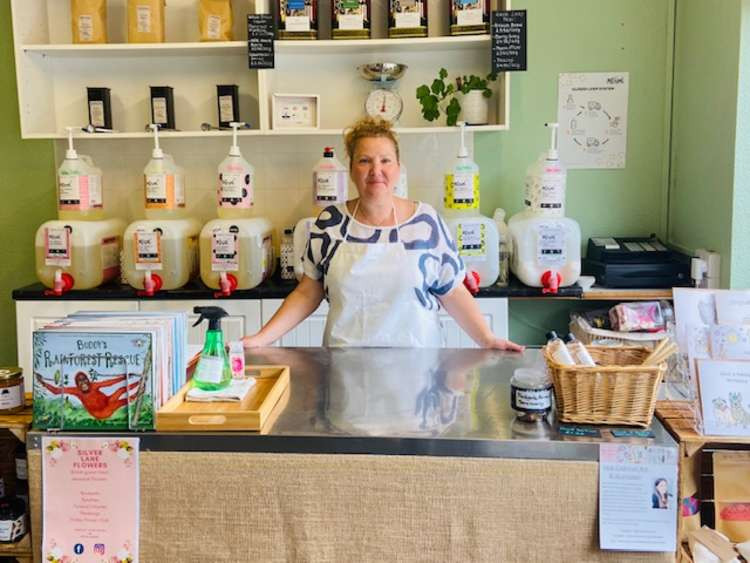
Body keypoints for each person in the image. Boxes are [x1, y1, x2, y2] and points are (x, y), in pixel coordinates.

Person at [243, 117, 524, 350]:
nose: (376, 170)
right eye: (365, 161)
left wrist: (487, 339)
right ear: (352, 170)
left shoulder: (426, 223)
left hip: (417, 370)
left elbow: (452, 292)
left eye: (385, 161)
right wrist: (260, 339)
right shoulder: (330, 223)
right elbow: (307, 293)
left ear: (398, 168)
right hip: (345, 369)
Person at [35, 371, 140, 420]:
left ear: (88, 380)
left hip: (106, 401)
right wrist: (43, 382)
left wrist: (124, 377)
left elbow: (109, 383)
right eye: (80, 381)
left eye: (84, 379)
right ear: (77, 384)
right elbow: (56, 391)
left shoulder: (93, 385)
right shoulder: (76, 391)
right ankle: (135, 396)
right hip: (100, 412)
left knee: (121, 390)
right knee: (119, 402)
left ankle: (139, 384)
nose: (83, 383)